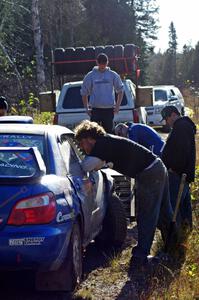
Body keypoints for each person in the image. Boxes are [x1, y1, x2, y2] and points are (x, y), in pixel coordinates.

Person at [74, 120, 174, 269]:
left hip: (149, 173)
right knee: (164, 212)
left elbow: (86, 165)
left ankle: (140, 257)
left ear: (89, 138)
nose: (81, 149)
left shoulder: (101, 145)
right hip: (156, 167)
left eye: (81, 144)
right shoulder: (106, 141)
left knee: (146, 215)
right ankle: (175, 247)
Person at [161, 106, 196, 230]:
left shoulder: (181, 127)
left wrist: (173, 168)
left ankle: (175, 240)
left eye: (167, 118)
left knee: (173, 210)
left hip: (178, 175)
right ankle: (185, 236)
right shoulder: (181, 126)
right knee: (184, 208)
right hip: (181, 174)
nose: (166, 122)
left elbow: (182, 152)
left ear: (173, 114)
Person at [80, 53, 124, 133]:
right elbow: (84, 92)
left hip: (109, 110)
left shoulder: (113, 75)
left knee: (108, 134)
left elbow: (120, 90)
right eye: (101, 64)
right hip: (95, 110)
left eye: (104, 64)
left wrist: (117, 106)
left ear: (107, 62)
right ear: (97, 62)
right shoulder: (91, 75)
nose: (102, 66)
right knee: (93, 133)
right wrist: (86, 108)